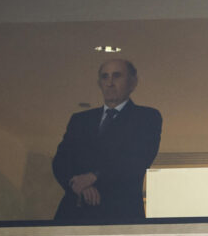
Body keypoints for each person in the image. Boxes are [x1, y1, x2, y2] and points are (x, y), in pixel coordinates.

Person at [52, 59, 162, 223]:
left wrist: (95, 177)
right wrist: (77, 185)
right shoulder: (80, 120)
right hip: (74, 213)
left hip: (120, 214)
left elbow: (138, 159)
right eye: (105, 77)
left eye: (116, 76)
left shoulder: (146, 117)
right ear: (99, 83)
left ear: (132, 82)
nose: (109, 83)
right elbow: (61, 161)